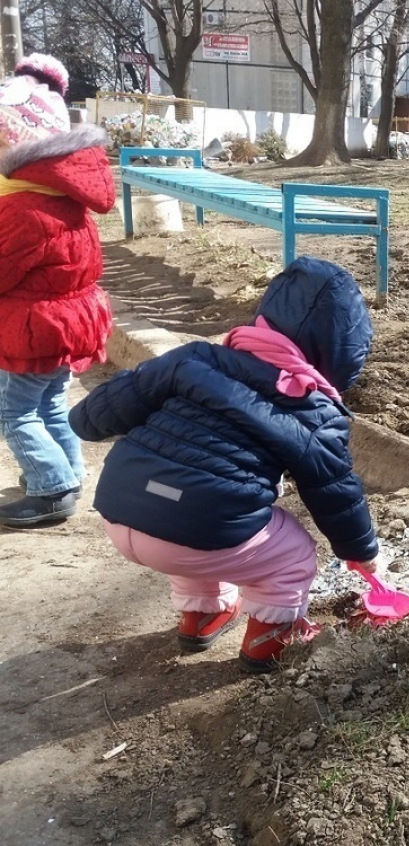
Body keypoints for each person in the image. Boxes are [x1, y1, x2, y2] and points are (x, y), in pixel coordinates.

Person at [70, 257, 380, 672]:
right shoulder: (314, 412)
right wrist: (361, 552)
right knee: (292, 552)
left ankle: (202, 615)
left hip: (119, 506)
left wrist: (85, 418)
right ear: (341, 354)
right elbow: (335, 493)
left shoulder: (194, 358)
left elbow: (90, 419)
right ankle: (272, 638)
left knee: (197, 509)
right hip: (192, 528)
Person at [0, 53, 115, 527]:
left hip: (37, 330)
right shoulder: (63, 195)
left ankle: (52, 488)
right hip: (68, 324)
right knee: (48, 403)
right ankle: (67, 472)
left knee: (13, 412)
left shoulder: (22, 208)